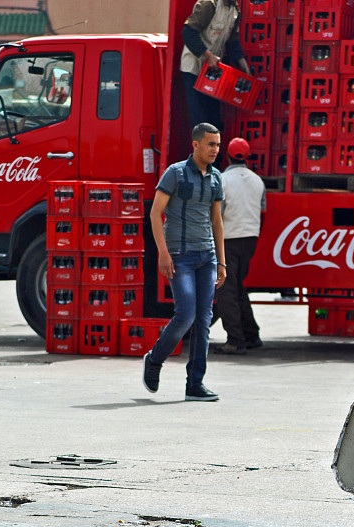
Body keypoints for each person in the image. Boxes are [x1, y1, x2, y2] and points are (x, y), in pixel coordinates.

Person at [142, 122, 227, 402]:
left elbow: (217, 220)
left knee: (204, 320)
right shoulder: (175, 173)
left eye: (218, 144)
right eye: (211, 144)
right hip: (180, 256)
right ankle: (155, 359)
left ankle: (195, 384)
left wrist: (222, 262)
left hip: (207, 257)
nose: (215, 149)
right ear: (196, 144)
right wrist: (163, 253)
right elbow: (155, 214)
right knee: (186, 315)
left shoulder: (216, 178)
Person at [213, 137, 266, 355]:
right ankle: (251, 335)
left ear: (226, 156)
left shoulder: (222, 180)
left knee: (225, 290)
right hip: (250, 239)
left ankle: (235, 340)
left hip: (228, 240)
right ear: (248, 157)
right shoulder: (258, 181)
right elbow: (262, 213)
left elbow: (217, 215)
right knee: (238, 288)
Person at [180, 0, 250, 132]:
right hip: (195, 68)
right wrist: (208, 55)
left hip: (213, 72)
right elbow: (188, 32)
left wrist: (245, 68)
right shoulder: (209, 4)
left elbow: (232, 42)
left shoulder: (235, 10)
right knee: (199, 118)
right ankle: (200, 145)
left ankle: (213, 145)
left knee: (214, 119)